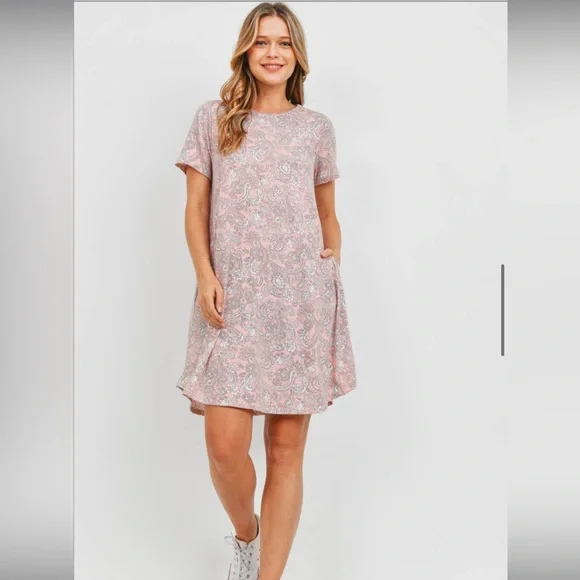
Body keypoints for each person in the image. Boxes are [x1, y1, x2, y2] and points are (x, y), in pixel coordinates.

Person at [174, 3, 357, 579]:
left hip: (300, 302)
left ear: (297, 54)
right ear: (245, 52)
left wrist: (329, 261)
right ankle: (246, 535)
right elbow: (196, 207)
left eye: (283, 42)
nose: (272, 52)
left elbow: (327, 213)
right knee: (225, 447)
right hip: (231, 301)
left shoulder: (315, 127)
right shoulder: (214, 118)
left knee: (284, 451)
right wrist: (205, 274)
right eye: (261, 42)